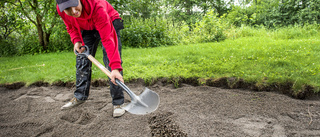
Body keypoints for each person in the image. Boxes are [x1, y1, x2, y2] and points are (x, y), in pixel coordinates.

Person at [56, 0, 126, 118]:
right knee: (82, 60)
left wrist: (115, 67)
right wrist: (76, 40)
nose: (73, 11)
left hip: (108, 20)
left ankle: (118, 103)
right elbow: (70, 26)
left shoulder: (97, 7)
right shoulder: (61, 10)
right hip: (87, 26)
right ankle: (80, 96)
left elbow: (108, 39)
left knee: (111, 64)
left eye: (74, 5)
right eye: (68, 9)